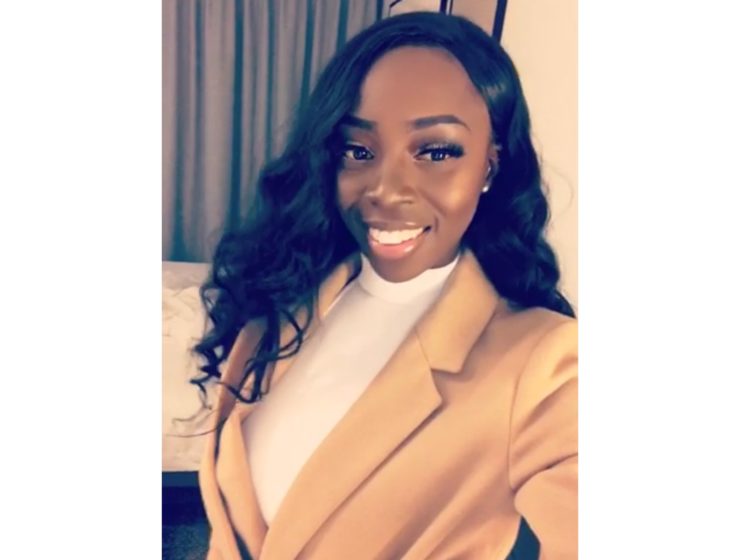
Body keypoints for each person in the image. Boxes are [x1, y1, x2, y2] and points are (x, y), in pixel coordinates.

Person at [193, 11, 577, 560]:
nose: (386, 190)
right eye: (359, 151)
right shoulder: (289, 302)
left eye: (436, 152)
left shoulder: (546, 362)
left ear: (490, 166)